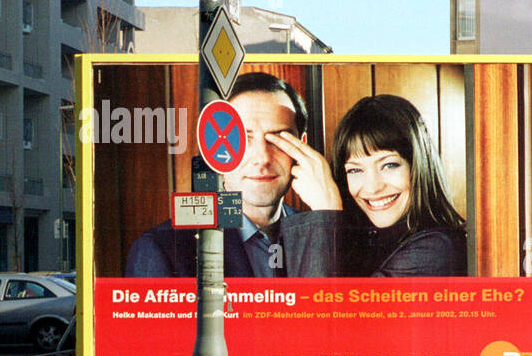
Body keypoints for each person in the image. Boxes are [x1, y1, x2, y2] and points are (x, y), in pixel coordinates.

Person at [126, 72, 355, 278]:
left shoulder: (323, 232)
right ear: (214, 148)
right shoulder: (163, 250)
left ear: (301, 147)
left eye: (279, 138)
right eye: (243, 139)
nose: (262, 157)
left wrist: (328, 215)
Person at [331, 94, 468, 276]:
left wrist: (325, 212)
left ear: (417, 166)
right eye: (355, 170)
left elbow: (331, 303)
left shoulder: (436, 249)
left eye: (389, 165)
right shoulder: (366, 241)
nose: (373, 187)